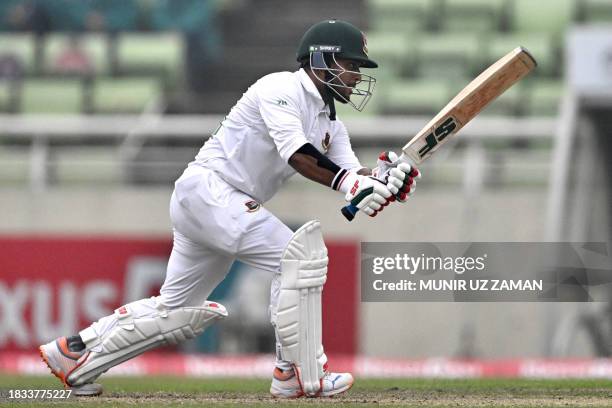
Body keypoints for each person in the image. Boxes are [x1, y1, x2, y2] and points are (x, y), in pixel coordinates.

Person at [38, 19, 420, 398]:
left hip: (213, 204)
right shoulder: (280, 88)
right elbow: (299, 157)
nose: (355, 76)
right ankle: (296, 373)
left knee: (177, 310)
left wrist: (383, 180)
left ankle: (74, 353)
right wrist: (355, 184)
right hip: (211, 192)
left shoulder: (331, 125)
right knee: (298, 258)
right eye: (350, 65)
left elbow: (349, 178)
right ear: (321, 61)